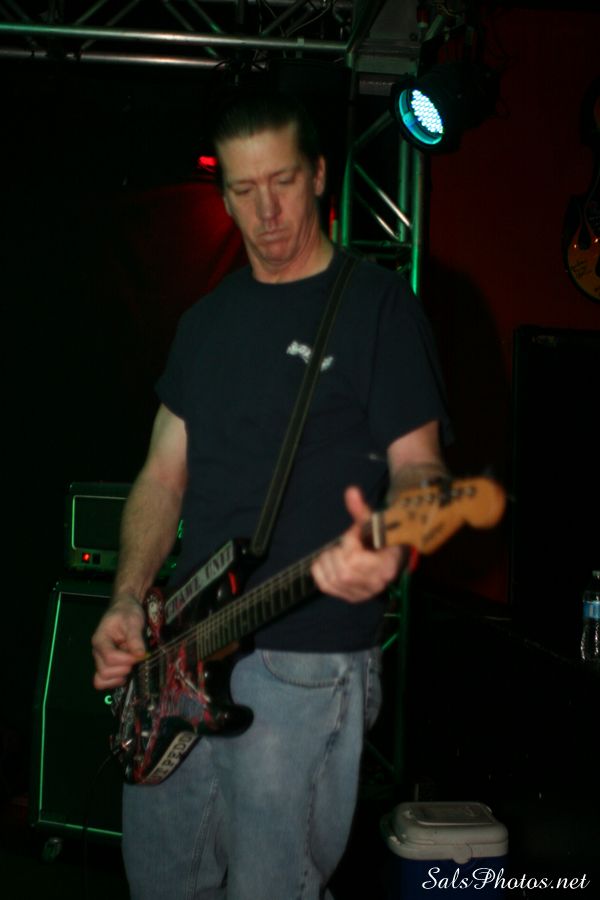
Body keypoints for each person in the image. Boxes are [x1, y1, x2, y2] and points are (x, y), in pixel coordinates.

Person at [92, 89, 451, 900]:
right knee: (160, 884)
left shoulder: (376, 309)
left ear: (320, 175)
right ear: (224, 194)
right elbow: (162, 476)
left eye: (283, 182)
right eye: (245, 190)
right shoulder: (205, 323)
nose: (268, 212)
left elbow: (422, 471)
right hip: (181, 650)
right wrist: (128, 597)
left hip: (305, 659)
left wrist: (395, 542)